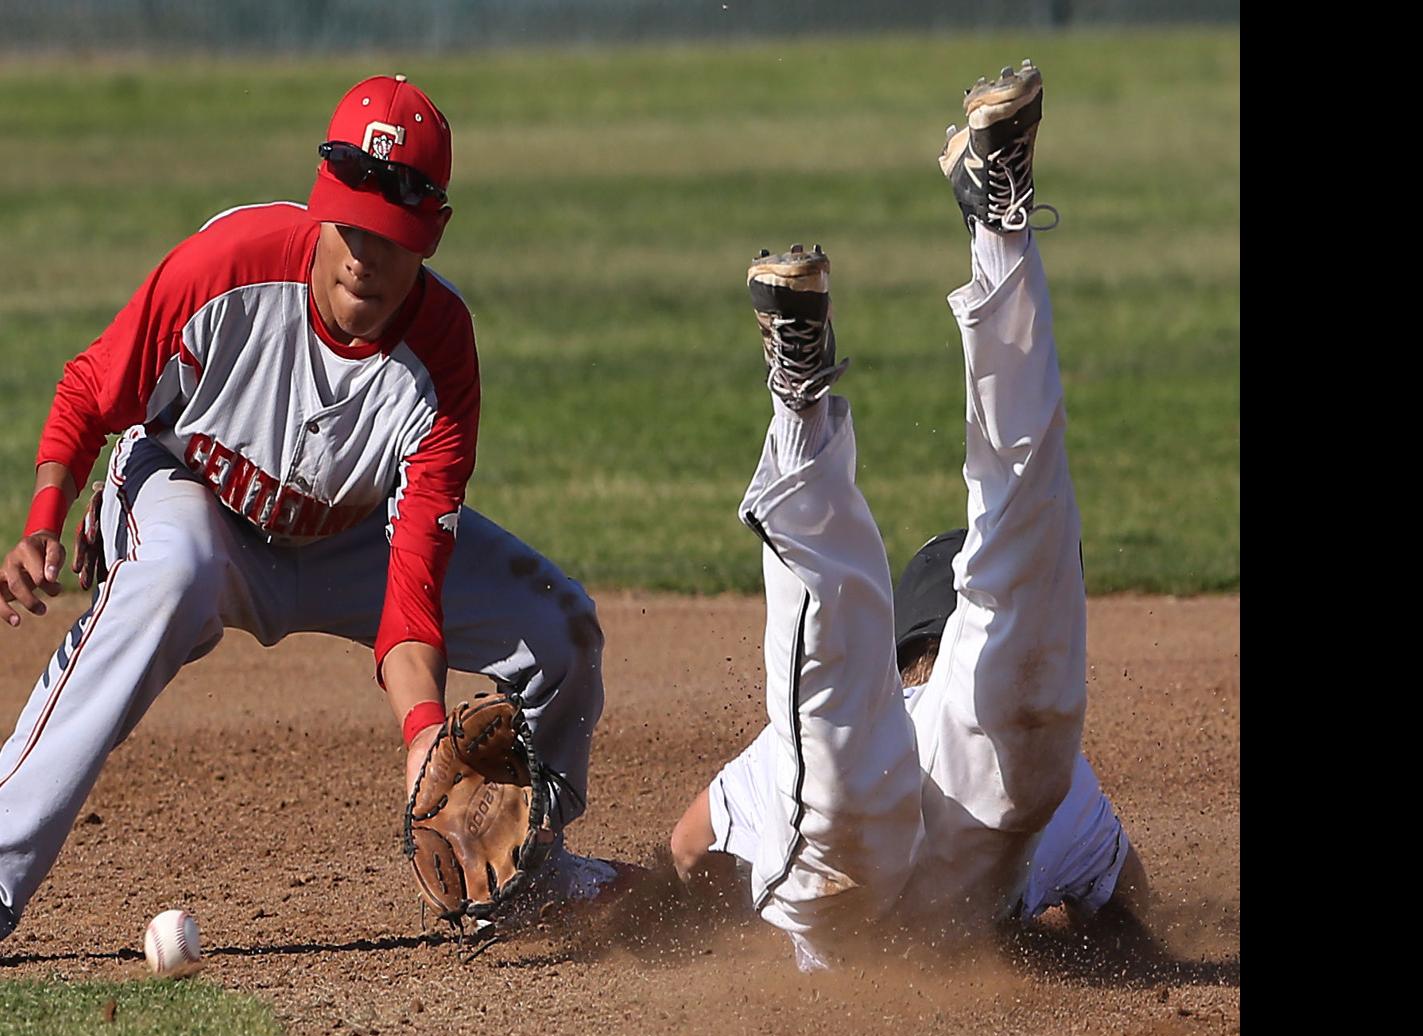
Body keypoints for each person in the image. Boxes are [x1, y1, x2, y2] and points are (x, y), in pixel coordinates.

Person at [0, 74, 610, 944]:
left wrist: (423, 742)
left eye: (392, 239)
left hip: (347, 537)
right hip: (192, 496)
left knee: (564, 632)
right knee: (174, 571)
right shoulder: (227, 268)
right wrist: (44, 518)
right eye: (352, 229)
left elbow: (412, 590)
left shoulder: (441, 357)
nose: (365, 257)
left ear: (430, 236)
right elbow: (93, 389)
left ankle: (518, 871)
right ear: (323, 211)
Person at [665, 61, 1149, 971]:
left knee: (837, 711)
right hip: (973, 858)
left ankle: (800, 408)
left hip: (847, 884)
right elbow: (1130, 918)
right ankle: (997, 233)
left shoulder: (838, 719)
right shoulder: (1056, 776)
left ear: (912, 643)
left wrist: (633, 912)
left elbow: (688, 848)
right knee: (1028, 539)